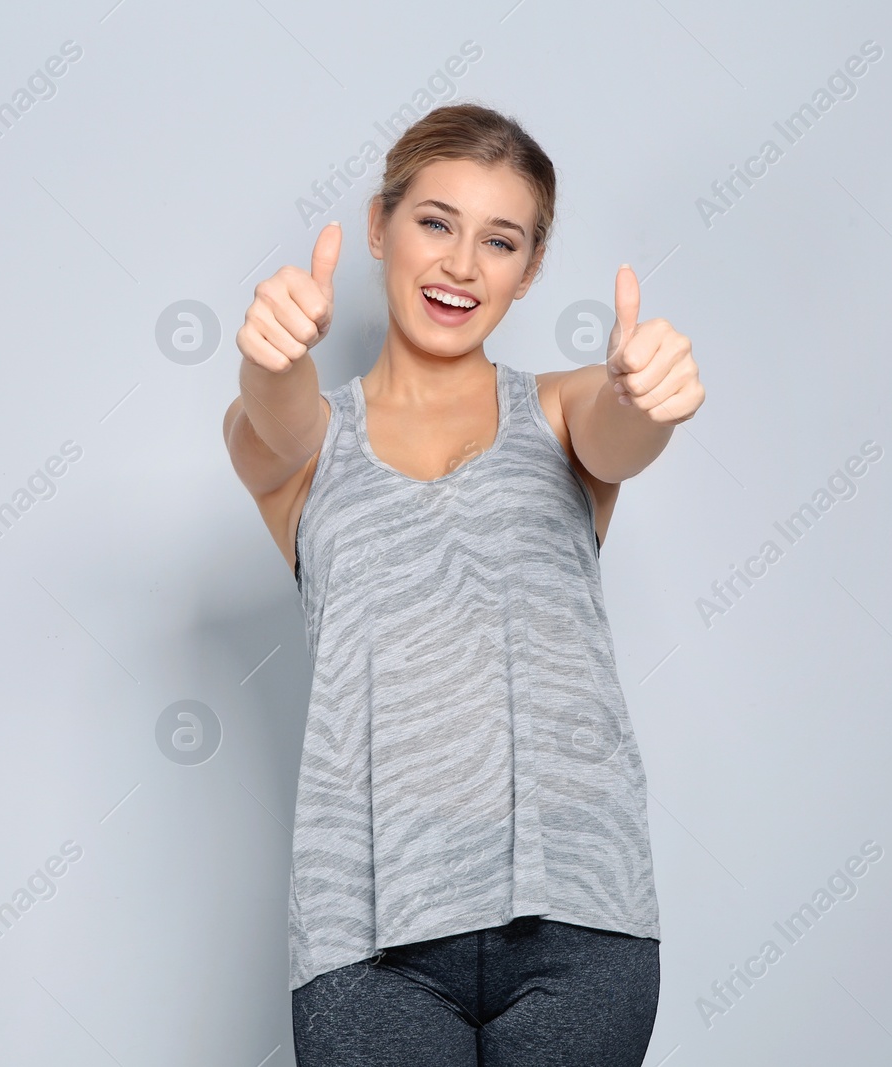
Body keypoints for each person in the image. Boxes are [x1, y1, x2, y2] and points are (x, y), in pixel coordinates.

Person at [222, 103, 703, 1066]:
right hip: (367, 940)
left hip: (581, 920)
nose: (460, 264)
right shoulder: (305, 446)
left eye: (500, 241)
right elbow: (270, 414)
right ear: (379, 226)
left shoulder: (567, 413)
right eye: (435, 222)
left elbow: (623, 434)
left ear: (527, 273)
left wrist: (645, 393)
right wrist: (270, 353)